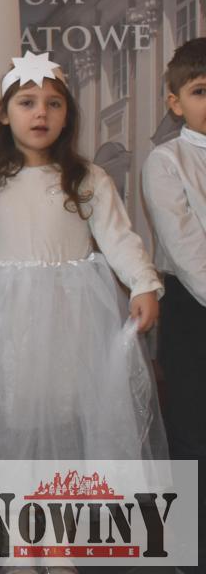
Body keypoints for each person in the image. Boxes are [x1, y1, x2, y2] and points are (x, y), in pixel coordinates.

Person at [0, 52, 164, 462]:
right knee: (17, 402)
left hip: (73, 312)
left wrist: (143, 283)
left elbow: (118, 237)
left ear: (67, 116)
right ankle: (21, 492)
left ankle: (68, 491)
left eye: (54, 104)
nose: (41, 113)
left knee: (70, 402)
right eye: (27, 103)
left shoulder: (87, 178)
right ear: (5, 114)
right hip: (9, 314)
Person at [141, 36, 206, 572]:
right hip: (193, 307)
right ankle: (191, 549)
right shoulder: (166, 161)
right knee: (193, 428)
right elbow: (185, 248)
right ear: (175, 102)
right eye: (200, 91)